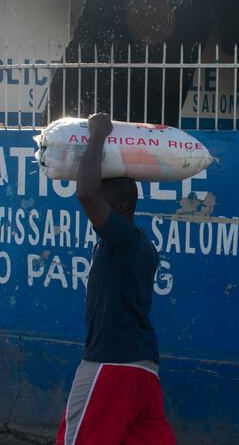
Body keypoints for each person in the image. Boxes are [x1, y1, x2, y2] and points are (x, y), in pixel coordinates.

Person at [55, 113, 176, 445]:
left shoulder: (123, 239)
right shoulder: (139, 245)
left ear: (121, 205)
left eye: (104, 198)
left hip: (111, 363)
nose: (96, 208)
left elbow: (85, 193)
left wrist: (98, 134)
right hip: (143, 370)